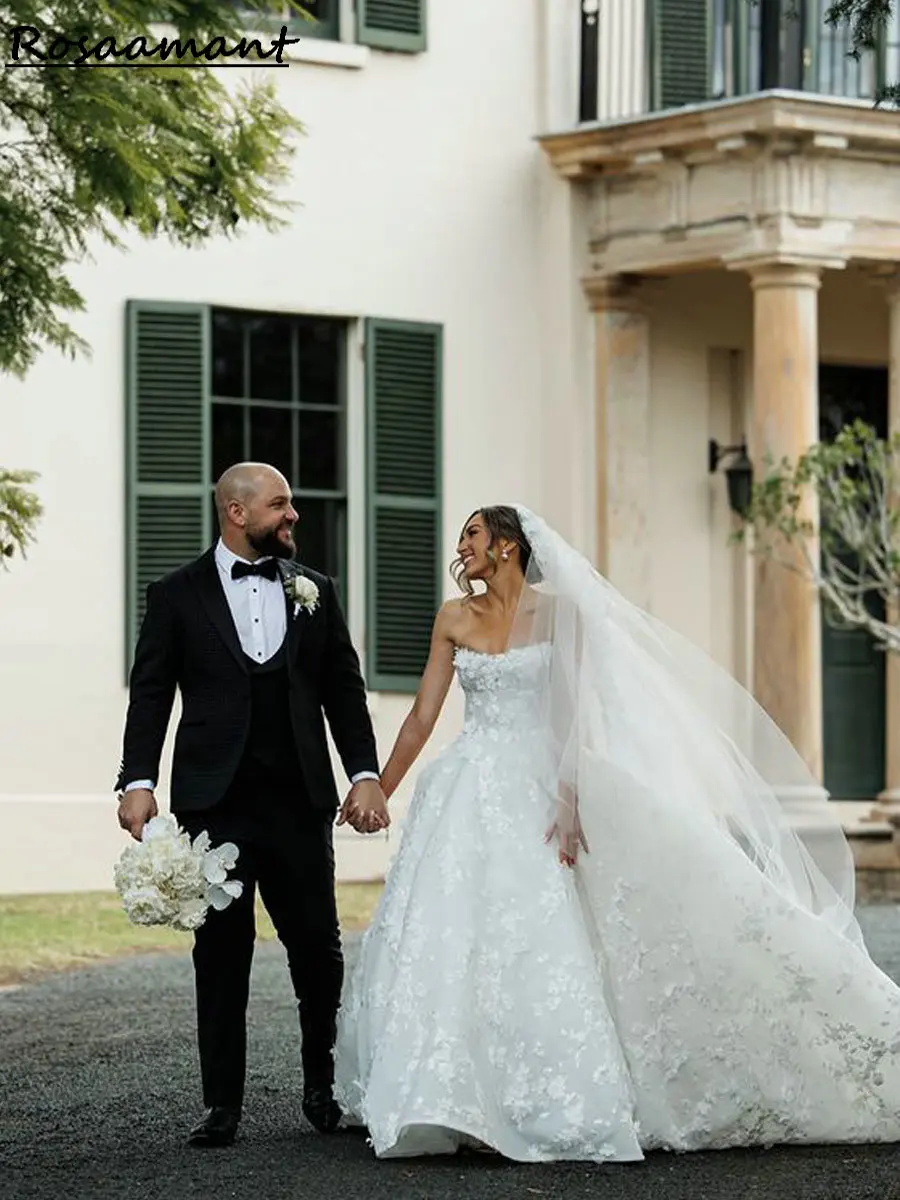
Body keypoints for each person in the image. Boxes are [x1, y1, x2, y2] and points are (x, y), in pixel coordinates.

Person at [335, 504, 900, 1163]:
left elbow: (571, 715)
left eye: (472, 534)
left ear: (508, 547)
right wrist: (377, 783)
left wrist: (569, 800)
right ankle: (446, 1092)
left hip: (540, 783)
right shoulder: (453, 617)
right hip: (467, 787)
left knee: (548, 934)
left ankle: (543, 1095)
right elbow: (422, 719)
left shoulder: (561, 614)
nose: (461, 545)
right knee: (451, 931)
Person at [115, 462, 388, 1149]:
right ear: (237, 513)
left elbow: (345, 693)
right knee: (220, 953)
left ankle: (321, 1088)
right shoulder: (176, 595)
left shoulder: (316, 591)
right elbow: (151, 693)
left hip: (299, 798)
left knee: (319, 952)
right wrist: (136, 781)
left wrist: (364, 773)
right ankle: (221, 1105)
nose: (293, 515)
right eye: (280, 505)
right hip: (216, 802)